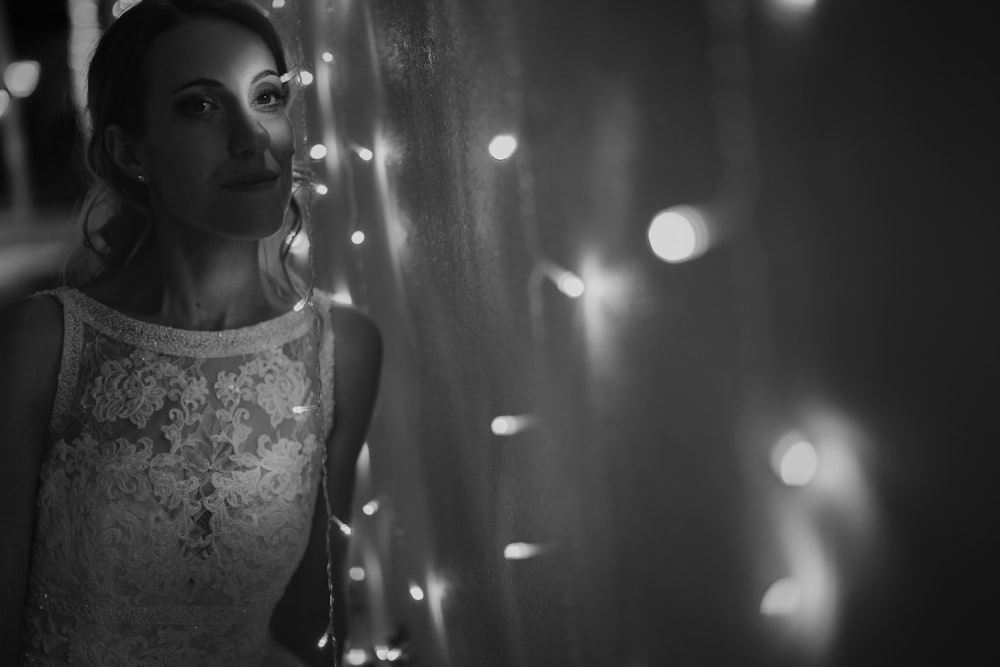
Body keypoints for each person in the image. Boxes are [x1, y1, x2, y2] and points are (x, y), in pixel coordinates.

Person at [0, 1, 382, 665]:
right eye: (200, 106)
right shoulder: (45, 343)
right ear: (129, 150)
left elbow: (314, 621)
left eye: (266, 97)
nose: (251, 137)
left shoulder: (341, 348)